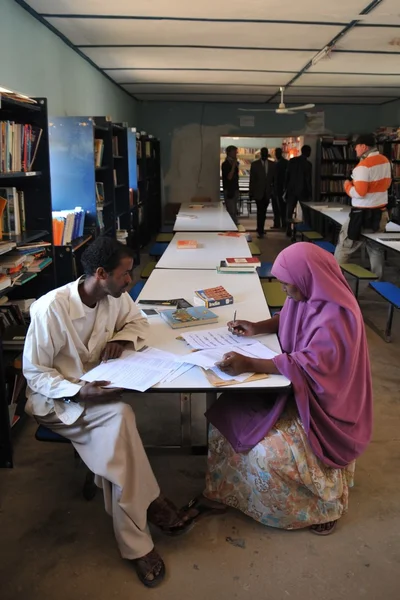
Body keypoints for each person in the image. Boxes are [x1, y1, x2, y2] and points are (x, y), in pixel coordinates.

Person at [23, 236, 191, 588]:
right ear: (101, 273)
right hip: (57, 400)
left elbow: (139, 322)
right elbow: (35, 373)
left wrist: (123, 339)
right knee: (120, 421)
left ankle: (140, 536)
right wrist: (76, 390)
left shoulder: (114, 297)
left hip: (95, 391)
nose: (131, 280)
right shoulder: (50, 309)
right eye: (125, 274)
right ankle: (150, 508)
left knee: (118, 435)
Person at [181, 243, 373, 536]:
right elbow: (288, 317)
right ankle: (221, 492)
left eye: (288, 285)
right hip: (299, 389)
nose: (286, 292)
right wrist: (257, 326)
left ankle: (319, 506)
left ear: (308, 279)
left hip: (325, 408)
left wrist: (251, 363)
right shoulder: (308, 293)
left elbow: (312, 364)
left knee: (271, 453)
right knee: (228, 412)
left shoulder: (338, 317)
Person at [334, 134, 391, 280]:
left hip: (361, 215)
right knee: (375, 249)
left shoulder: (363, 166)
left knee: (345, 246)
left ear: (364, 146)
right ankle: (378, 282)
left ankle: (334, 279)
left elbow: (359, 192)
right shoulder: (385, 161)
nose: (355, 149)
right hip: (381, 213)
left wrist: (347, 186)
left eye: (356, 146)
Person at [285, 145, 312, 237]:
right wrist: (310, 193)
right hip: (303, 191)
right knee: (306, 212)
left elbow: (287, 176)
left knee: (289, 211)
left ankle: (288, 229)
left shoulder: (292, 161)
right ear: (307, 152)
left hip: (291, 190)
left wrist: (286, 188)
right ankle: (308, 230)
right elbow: (308, 180)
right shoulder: (308, 164)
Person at [249, 147, 277, 238]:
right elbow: (252, 179)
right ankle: (260, 229)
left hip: (267, 192)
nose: (264, 154)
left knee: (263, 212)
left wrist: (273, 191)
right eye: (263, 153)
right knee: (260, 211)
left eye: (266, 153)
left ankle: (261, 228)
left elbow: (274, 179)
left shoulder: (272, 164)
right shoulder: (255, 164)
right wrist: (251, 192)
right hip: (258, 192)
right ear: (261, 153)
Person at [221, 145, 239, 225]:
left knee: (234, 210)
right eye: (234, 152)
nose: (236, 154)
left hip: (235, 189)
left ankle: (234, 224)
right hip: (229, 190)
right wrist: (234, 166)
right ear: (229, 153)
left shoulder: (234, 163)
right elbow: (229, 177)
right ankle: (232, 226)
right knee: (231, 210)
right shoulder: (225, 164)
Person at [272, 147, 289, 229]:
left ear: (280, 153)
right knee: (276, 208)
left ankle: (283, 224)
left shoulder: (284, 163)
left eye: (278, 153)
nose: (276, 154)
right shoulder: (276, 163)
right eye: (276, 153)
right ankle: (277, 224)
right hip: (276, 189)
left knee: (282, 208)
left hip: (281, 189)